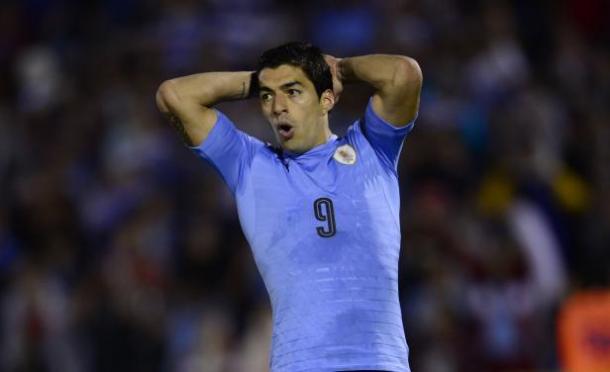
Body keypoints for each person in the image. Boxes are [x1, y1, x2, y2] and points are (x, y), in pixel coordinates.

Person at [156, 42, 422, 372]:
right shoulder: (251, 165)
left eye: (293, 92)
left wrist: (339, 69)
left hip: (381, 364)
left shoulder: (373, 149)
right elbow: (174, 95)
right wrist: (258, 81)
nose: (277, 106)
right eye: (268, 96)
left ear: (327, 98)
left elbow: (403, 75)